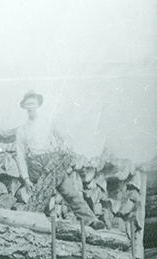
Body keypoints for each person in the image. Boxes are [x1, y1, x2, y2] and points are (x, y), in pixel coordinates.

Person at [15, 90, 105, 229]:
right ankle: (41, 232)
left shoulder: (49, 122)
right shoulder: (22, 130)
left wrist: (64, 149)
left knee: (69, 192)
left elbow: (67, 138)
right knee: (39, 201)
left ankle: (91, 220)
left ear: (38, 104)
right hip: (34, 165)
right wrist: (26, 178)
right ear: (24, 107)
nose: (30, 107)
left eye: (32, 103)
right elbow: (20, 156)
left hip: (52, 162)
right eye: (27, 104)